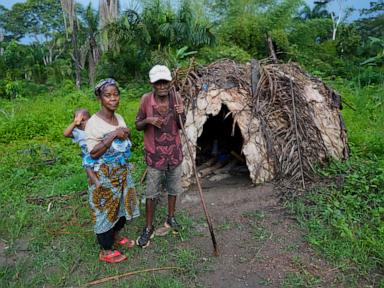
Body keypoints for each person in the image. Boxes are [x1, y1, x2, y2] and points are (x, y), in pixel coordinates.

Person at [85, 78, 140, 263]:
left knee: (121, 210)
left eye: (116, 94)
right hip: (104, 176)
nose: (113, 99)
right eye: (108, 95)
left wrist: (125, 132)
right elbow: (93, 154)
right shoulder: (93, 123)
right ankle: (105, 250)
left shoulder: (119, 117)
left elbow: (125, 138)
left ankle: (116, 236)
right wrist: (113, 135)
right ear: (100, 98)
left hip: (121, 174)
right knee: (105, 213)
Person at [135, 65, 186, 248]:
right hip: (155, 154)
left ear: (170, 82)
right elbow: (137, 125)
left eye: (165, 82)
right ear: (152, 84)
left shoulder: (176, 98)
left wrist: (182, 113)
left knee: (173, 188)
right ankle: (148, 227)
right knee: (152, 192)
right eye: (158, 83)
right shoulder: (146, 100)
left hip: (174, 152)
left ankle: (170, 217)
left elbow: (182, 125)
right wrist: (148, 121)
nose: (162, 86)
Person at [63, 108, 100, 188]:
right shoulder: (77, 132)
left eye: (83, 120)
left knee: (99, 170)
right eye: (77, 120)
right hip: (87, 155)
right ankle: (96, 184)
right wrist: (75, 123)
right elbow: (66, 134)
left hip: (98, 153)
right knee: (88, 167)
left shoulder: (94, 128)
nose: (80, 122)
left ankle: (97, 182)